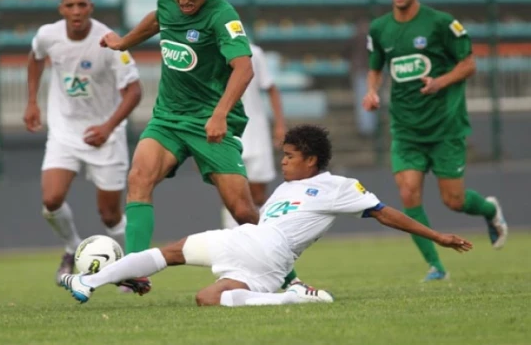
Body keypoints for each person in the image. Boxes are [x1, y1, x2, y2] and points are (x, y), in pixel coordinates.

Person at [59, 125, 473, 307]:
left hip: (266, 249)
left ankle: (88, 280)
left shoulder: (338, 186)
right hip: (264, 254)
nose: (284, 162)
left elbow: (386, 214)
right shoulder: (284, 188)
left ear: (311, 160)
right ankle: (289, 296)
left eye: (290, 157)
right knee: (206, 299)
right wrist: (290, 278)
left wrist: (437, 237)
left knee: (172, 252)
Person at [100, 0, 302, 294]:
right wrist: (123, 42)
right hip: (168, 117)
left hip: (210, 123)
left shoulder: (222, 16)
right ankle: (134, 269)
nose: (182, 1)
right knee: (139, 177)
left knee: (242, 210)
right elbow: (156, 19)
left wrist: (220, 114)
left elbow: (244, 68)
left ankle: (290, 277)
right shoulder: (169, 1)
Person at [362, 0, 508, 282]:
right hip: (405, 127)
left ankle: (489, 210)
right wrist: (372, 91)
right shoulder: (380, 28)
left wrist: (440, 82)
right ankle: (437, 266)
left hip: (444, 126)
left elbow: (469, 63)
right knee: (409, 192)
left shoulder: (442, 24)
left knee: (453, 201)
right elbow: (375, 66)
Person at [23, 0, 142, 284]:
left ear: (90, 7)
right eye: (70, 5)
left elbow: (134, 91)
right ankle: (72, 246)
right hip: (64, 131)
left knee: (110, 216)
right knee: (51, 199)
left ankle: (133, 270)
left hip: (106, 136)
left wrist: (107, 127)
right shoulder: (47, 35)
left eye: (82, 5)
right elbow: (35, 58)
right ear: (61, 9)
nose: (76, 11)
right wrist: (31, 101)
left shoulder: (108, 41)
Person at [221, 42, 286, 229]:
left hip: (256, 133)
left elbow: (271, 87)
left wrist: (280, 124)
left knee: (257, 195)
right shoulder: (207, 51)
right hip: (225, 133)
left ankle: (262, 236)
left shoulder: (253, 52)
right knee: (230, 192)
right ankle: (231, 240)